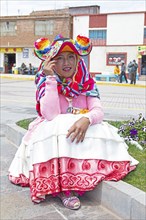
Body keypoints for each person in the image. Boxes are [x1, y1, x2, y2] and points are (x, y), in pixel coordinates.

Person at [8, 34, 138, 210]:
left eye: (71, 57)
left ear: (78, 60)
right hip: (55, 136)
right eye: (59, 58)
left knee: (94, 125)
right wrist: (51, 79)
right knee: (60, 123)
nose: (66, 62)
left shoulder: (86, 83)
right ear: (51, 62)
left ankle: (84, 175)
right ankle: (65, 190)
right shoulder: (46, 82)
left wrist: (86, 119)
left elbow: (98, 111)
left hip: (78, 138)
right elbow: (50, 115)